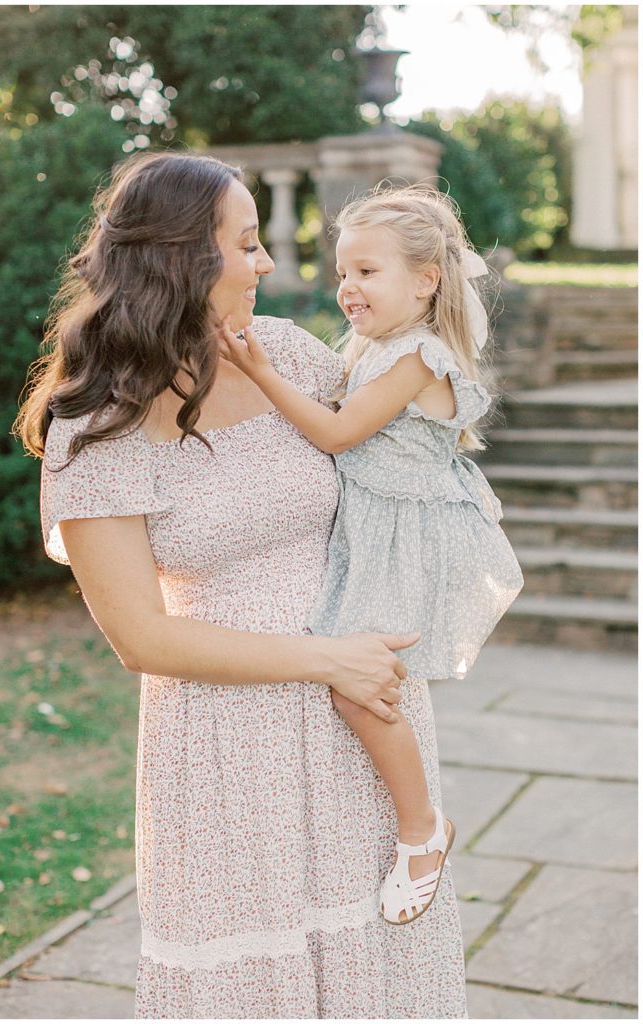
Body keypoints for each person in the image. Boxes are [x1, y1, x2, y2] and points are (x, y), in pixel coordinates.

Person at [14, 151, 469, 1018]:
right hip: (228, 741)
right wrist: (324, 657)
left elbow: (400, 452)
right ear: (181, 259)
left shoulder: (291, 355)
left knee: (381, 966)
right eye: (248, 244)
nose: (266, 264)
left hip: (363, 715)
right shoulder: (94, 427)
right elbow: (141, 637)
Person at [219, 184, 524, 928]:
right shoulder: (377, 345)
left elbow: (334, 433)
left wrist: (260, 371)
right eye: (343, 272)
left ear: (425, 281)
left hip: (409, 539)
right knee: (357, 679)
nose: (348, 288)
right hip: (379, 527)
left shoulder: (419, 355)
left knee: (357, 684)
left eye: (367, 272)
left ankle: (423, 830)